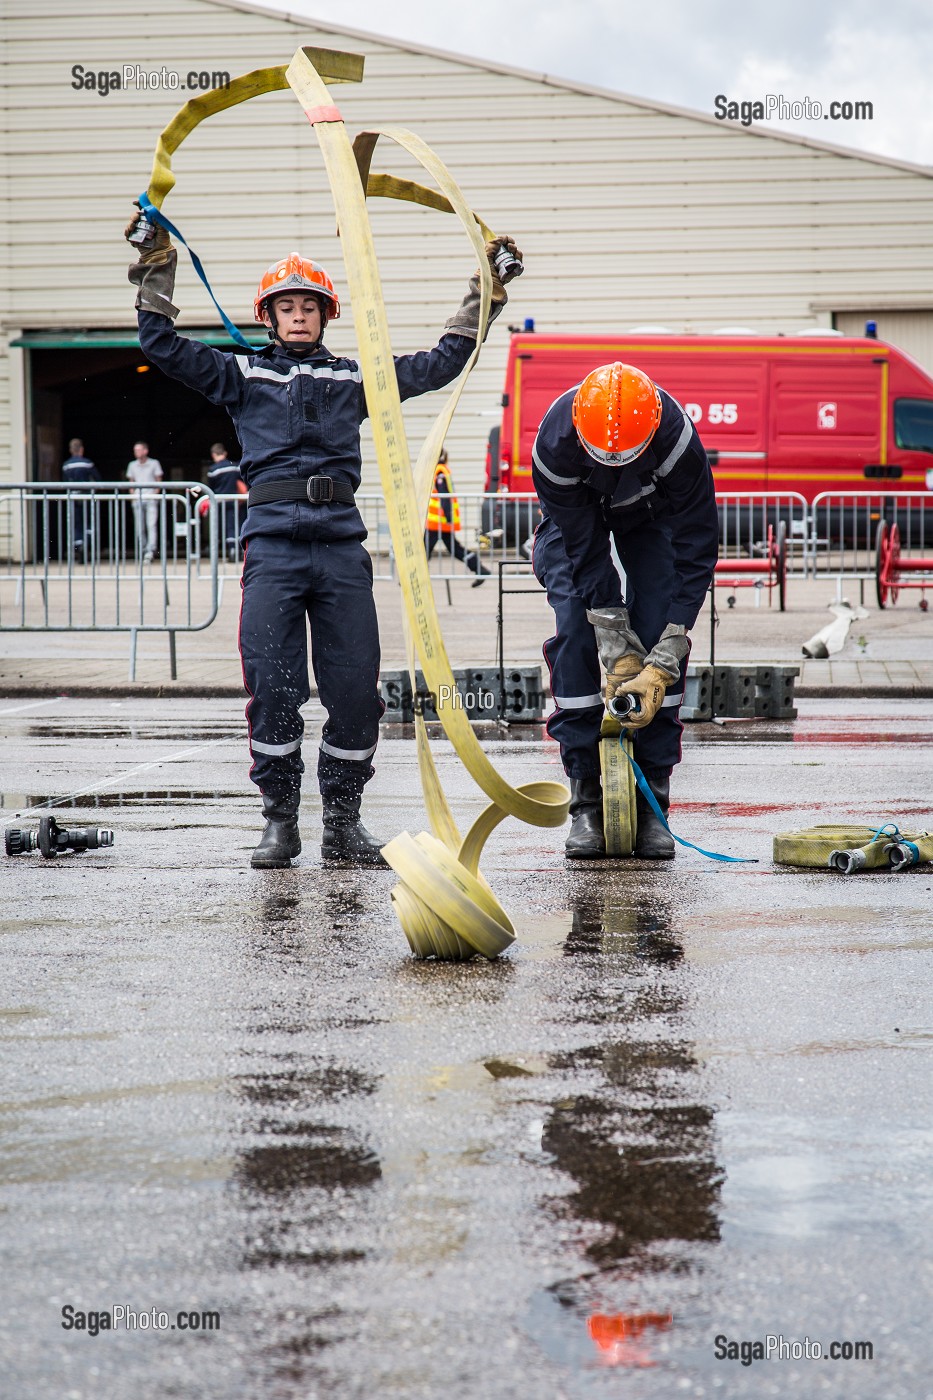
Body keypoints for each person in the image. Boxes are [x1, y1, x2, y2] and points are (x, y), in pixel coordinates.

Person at [126, 212, 522, 869]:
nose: (299, 314)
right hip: (274, 551)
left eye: (309, 304)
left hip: (341, 552)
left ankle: (342, 826)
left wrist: (487, 289)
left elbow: (442, 362)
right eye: (287, 305)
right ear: (269, 316)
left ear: (326, 314)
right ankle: (280, 824)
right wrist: (158, 262)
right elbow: (160, 346)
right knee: (275, 694)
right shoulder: (241, 376)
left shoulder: (354, 379)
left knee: (355, 696)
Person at [530, 362, 718, 860]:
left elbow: (696, 546)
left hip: (650, 518)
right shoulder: (554, 444)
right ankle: (585, 798)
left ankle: (653, 797)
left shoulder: (677, 443)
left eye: (625, 458)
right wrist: (613, 640)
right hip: (575, 526)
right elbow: (586, 552)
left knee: (658, 624)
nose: (614, 465)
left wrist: (668, 648)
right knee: (575, 623)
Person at [424, 448, 491, 586]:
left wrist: (448, 517)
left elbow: (444, 497)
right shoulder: (441, 470)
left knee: (424, 550)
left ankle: (412, 578)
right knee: (455, 549)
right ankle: (479, 568)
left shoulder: (440, 472)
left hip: (439, 522)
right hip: (441, 521)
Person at [61, 438, 100, 561]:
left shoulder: (66, 465)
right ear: (81, 450)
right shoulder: (87, 463)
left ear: (71, 450)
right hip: (87, 497)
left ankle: (78, 546)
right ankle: (87, 545)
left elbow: (64, 483)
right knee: (88, 523)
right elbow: (97, 479)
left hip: (73, 497)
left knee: (76, 524)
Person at [206, 442, 246, 560]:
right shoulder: (234, 466)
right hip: (235, 501)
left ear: (213, 455)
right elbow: (242, 481)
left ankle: (229, 550)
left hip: (219, 501)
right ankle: (237, 549)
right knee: (235, 525)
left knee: (221, 526)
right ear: (225, 453)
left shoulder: (212, 470)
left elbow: (211, 487)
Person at [126, 441, 164, 562]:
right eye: (135, 450)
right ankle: (142, 549)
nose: (136, 452)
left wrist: (155, 494)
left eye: (138, 450)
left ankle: (150, 550)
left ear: (145, 451)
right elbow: (131, 482)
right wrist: (132, 495)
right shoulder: (132, 465)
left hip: (151, 498)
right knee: (139, 526)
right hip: (137, 499)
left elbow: (159, 480)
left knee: (151, 525)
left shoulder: (154, 463)